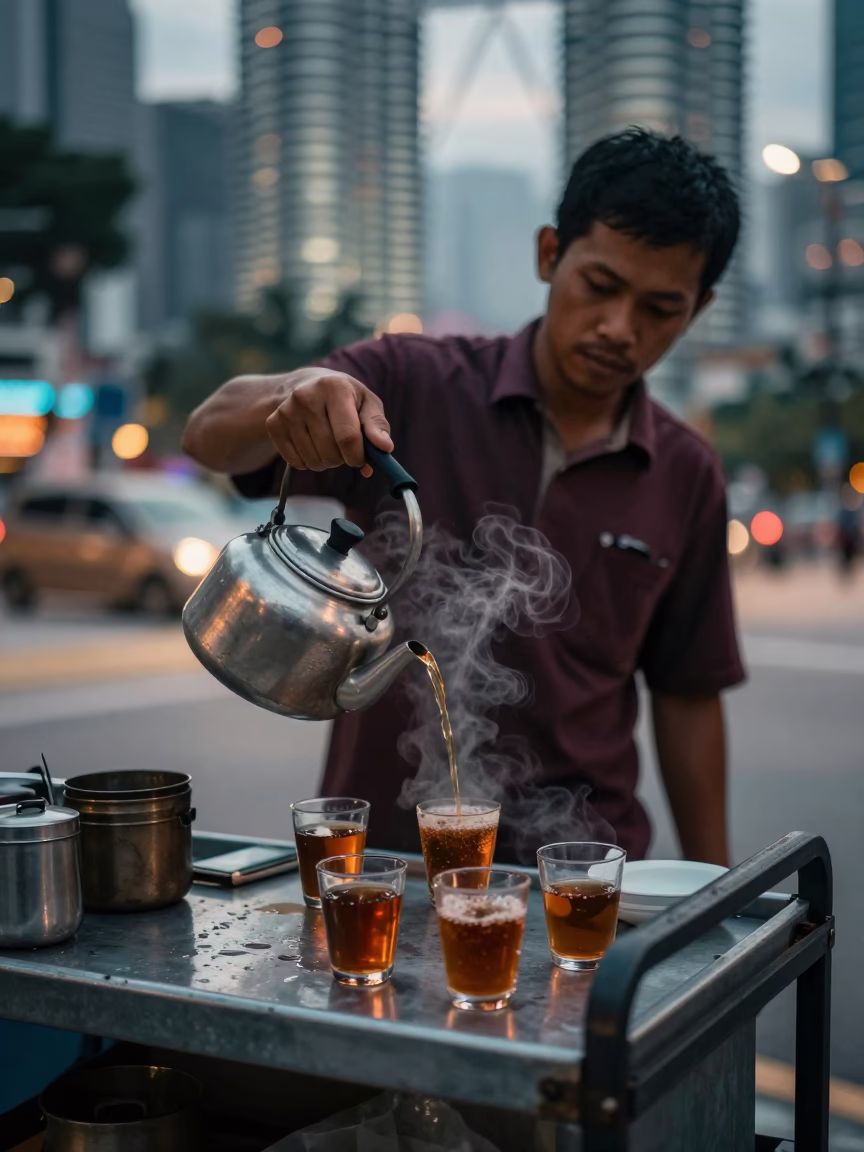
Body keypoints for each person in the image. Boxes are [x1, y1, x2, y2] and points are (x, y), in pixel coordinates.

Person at [184, 128, 745, 866]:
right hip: (384, 870)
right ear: (550, 254)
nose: (619, 328)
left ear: (698, 309)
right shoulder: (411, 383)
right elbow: (207, 435)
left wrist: (722, 893)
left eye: (660, 308)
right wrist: (297, 391)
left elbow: (689, 695)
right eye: (601, 286)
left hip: (581, 873)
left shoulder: (685, 471)